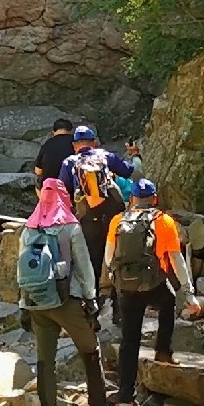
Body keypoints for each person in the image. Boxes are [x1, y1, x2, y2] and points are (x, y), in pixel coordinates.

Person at [15, 176, 110, 406]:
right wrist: (91, 299)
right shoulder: (70, 226)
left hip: (36, 302)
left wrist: (23, 304)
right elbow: (84, 269)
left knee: (45, 359)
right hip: (68, 300)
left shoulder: (29, 227)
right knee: (91, 350)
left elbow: (21, 269)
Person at [103, 180, 198, 405]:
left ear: (133, 199)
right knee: (169, 301)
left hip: (126, 287)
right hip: (154, 284)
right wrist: (188, 291)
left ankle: (126, 394)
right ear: (154, 199)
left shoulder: (118, 221)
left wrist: (117, 278)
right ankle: (163, 351)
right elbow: (176, 259)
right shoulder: (164, 221)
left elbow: (109, 256)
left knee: (129, 338)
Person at [60, 125, 135, 310]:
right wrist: (133, 155)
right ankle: (119, 307)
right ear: (93, 143)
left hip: (88, 219)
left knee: (91, 262)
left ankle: (92, 309)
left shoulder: (70, 162)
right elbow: (128, 171)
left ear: (75, 145)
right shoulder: (106, 156)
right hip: (113, 216)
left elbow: (62, 191)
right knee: (117, 260)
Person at [32, 117, 77, 188]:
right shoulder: (77, 143)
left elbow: (38, 171)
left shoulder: (48, 144)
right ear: (71, 130)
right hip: (72, 188)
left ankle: (42, 199)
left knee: (37, 179)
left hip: (51, 187)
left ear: (54, 131)